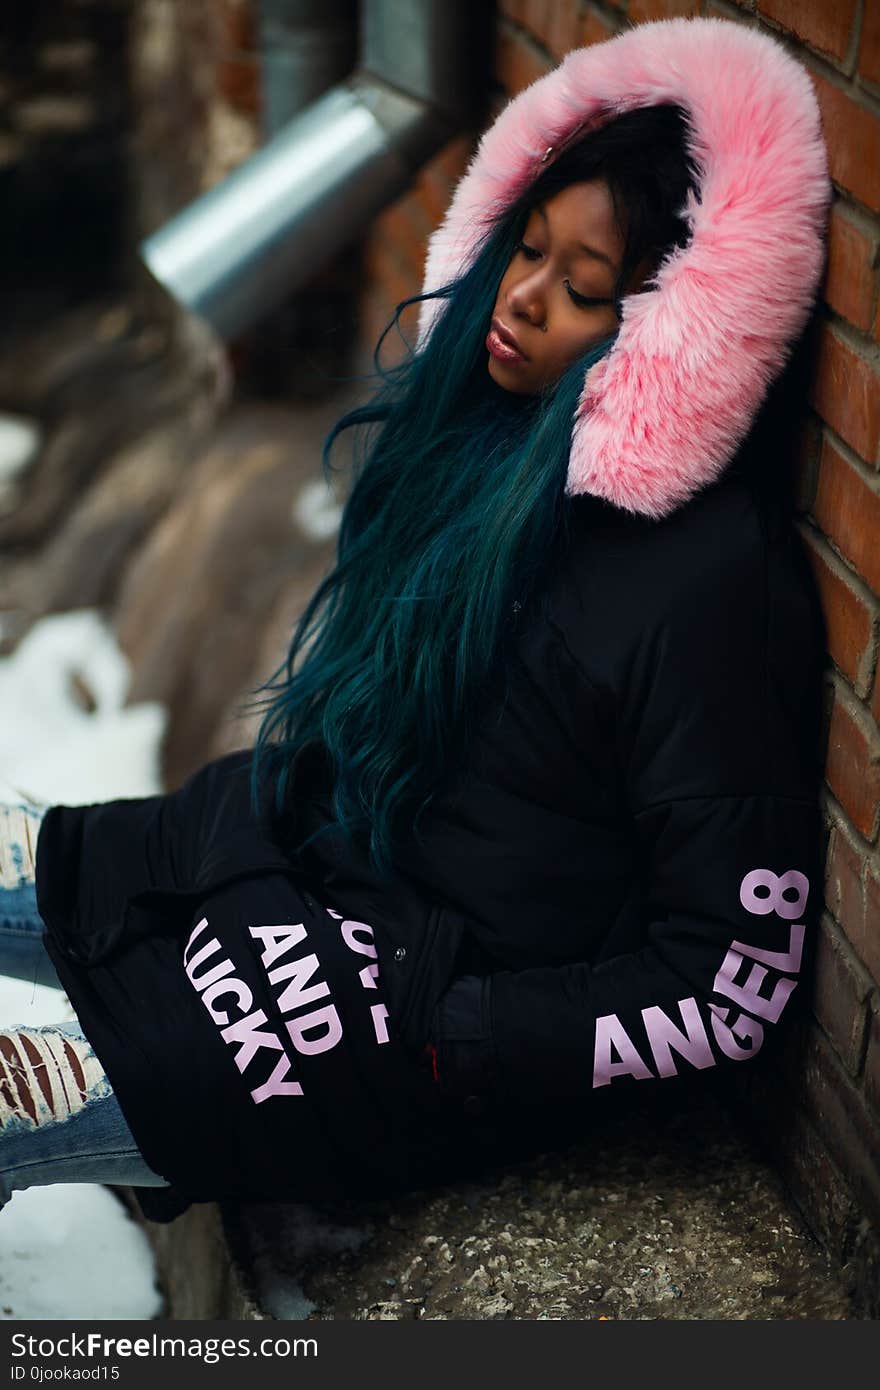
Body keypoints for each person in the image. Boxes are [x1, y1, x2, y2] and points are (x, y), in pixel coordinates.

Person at [0, 16, 831, 1227]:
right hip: (308, 846)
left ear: (672, 332)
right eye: (526, 248)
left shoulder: (709, 584)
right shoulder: (481, 442)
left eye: (585, 288)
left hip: (409, 1005)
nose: (524, 297)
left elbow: (729, 981)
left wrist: (457, 1037)